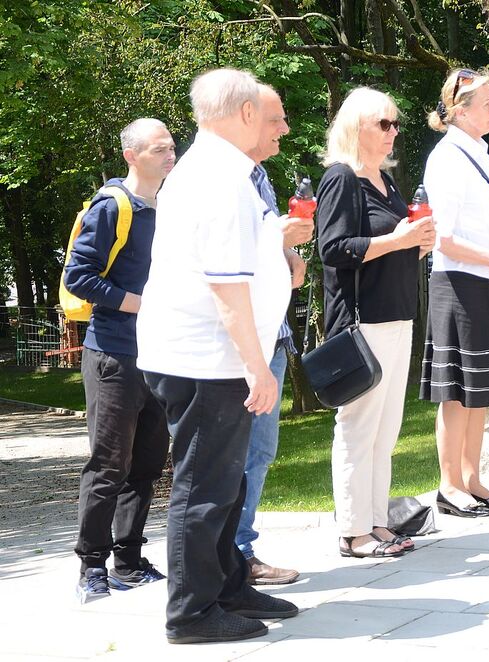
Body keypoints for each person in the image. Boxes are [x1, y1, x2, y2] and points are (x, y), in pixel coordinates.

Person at [137, 68, 298, 645]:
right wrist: (256, 366)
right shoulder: (220, 180)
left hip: (207, 354)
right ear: (246, 113)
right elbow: (227, 288)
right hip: (208, 358)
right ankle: (192, 613)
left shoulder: (218, 171)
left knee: (224, 483)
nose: (273, 123)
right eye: (266, 111)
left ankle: (228, 585)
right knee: (204, 487)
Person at [316, 87, 435, 557]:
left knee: (385, 432)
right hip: (362, 323)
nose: (393, 133)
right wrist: (397, 240)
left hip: (397, 316)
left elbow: (391, 244)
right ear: (355, 127)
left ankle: (378, 522)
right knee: (358, 428)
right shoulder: (341, 179)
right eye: (383, 124)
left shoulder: (387, 182)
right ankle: (352, 531)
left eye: (396, 124)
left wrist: (417, 244)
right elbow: (333, 249)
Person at [64, 118, 175, 603]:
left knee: (148, 464)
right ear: (132, 155)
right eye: (158, 149)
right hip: (113, 353)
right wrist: (139, 303)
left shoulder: (172, 206)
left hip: (161, 354)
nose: (170, 155)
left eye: (172, 146)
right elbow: (78, 277)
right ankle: (91, 567)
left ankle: (129, 560)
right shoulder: (113, 207)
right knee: (109, 464)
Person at [420, 69, 489, 516]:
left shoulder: (480, 153)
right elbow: (443, 237)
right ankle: (450, 485)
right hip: (459, 282)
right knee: (457, 391)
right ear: (460, 111)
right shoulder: (447, 158)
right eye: (487, 103)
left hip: (484, 280)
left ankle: (473, 480)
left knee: (479, 388)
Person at [236, 83, 312, 585]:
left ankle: (239, 553)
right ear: (247, 117)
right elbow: (224, 265)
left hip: (274, 334)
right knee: (230, 458)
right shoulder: (217, 181)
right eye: (276, 119)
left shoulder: (258, 176)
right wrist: (276, 242)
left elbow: (270, 258)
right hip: (241, 343)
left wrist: (288, 254)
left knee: (259, 454)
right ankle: (227, 563)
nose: (285, 128)